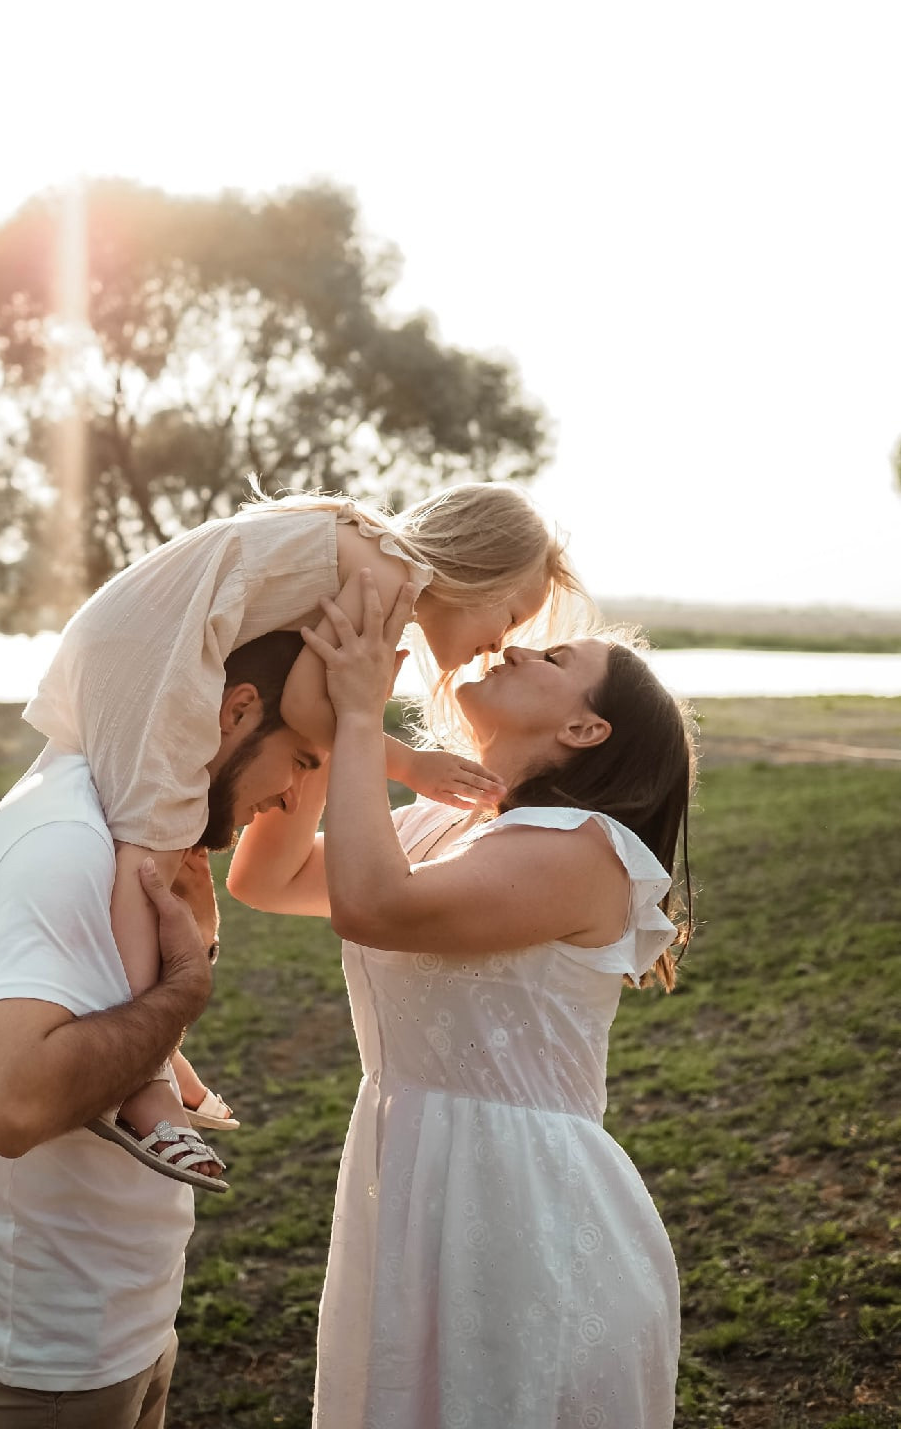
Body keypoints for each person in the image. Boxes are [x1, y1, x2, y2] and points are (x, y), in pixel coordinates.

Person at [227, 576, 696, 1429]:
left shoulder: (585, 850)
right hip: (408, 1171)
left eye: (554, 658)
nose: (515, 646)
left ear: (584, 729)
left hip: (519, 1200)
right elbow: (270, 877)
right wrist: (332, 718)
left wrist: (364, 717)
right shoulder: (447, 828)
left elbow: (376, 907)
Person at [22, 484, 582, 1174]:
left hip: (135, 636)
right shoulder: (387, 576)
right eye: (511, 614)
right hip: (155, 652)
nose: (501, 643)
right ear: (479, 566)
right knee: (150, 860)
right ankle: (138, 1086)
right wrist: (408, 763)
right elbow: (311, 706)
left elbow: (312, 703)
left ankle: (154, 1053)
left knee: (166, 858)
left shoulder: (370, 561)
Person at [0, 630, 322, 1428]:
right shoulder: (68, 840)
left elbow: (99, 1026)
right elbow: (13, 1105)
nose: (290, 799)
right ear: (237, 712)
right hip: (47, 1350)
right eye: (303, 761)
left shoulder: (123, 826)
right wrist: (183, 991)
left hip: (119, 1322)